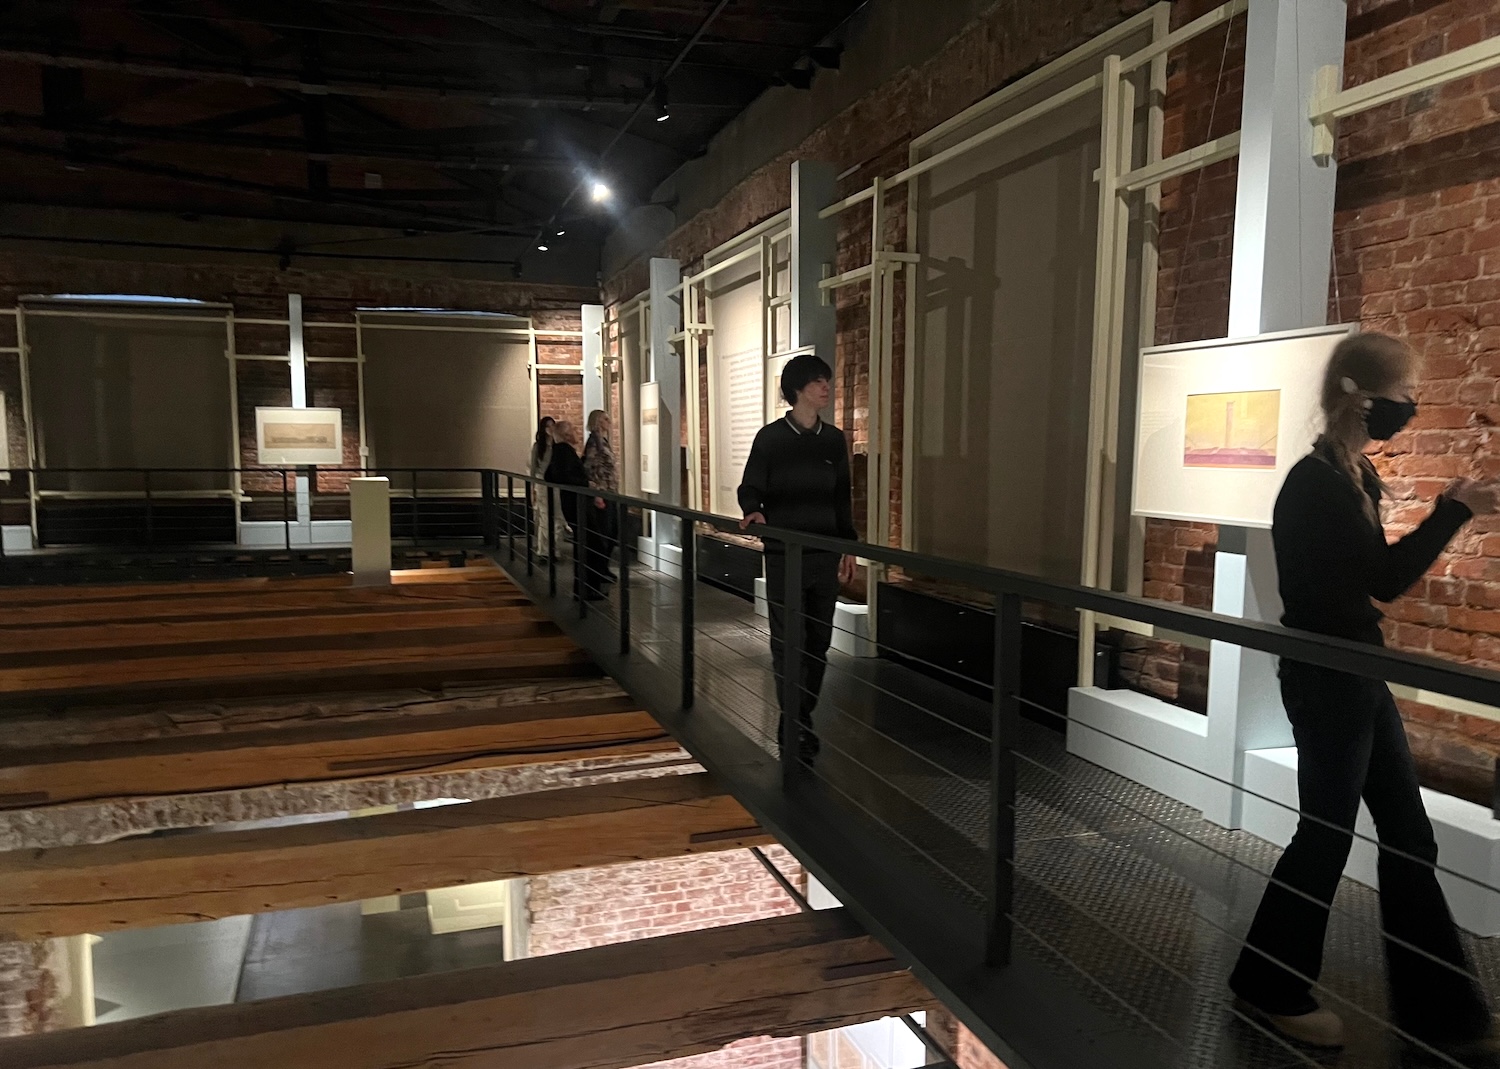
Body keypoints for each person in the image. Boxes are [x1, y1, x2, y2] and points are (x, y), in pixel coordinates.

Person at [1228, 332, 1499, 1053]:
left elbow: (1369, 578)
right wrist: (1454, 512)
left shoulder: (1351, 475)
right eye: (1405, 393)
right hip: (1327, 675)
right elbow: (1383, 580)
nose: (1411, 406)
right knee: (1327, 832)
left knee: (1407, 834)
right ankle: (1270, 985)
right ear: (1363, 395)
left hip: (1353, 669)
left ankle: (1442, 1011)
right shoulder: (1317, 483)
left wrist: (1449, 510)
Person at [738, 352, 857, 764]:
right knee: (789, 642)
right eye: (817, 382)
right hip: (785, 555)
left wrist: (848, 547)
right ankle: (795, 724)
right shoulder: (771, 438)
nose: (826, 387)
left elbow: (842, 499)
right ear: (797, 390)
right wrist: (753, 510)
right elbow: (751, 486)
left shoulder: (833, 440)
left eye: (826, 380)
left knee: (818, 644)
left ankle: (798, 717)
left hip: (824, 554)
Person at [544, 420, 590, 585]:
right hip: (574, 501)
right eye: (574, 430)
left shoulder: (559, 450)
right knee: (584, 539)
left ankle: (582, 580)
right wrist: (586, 483)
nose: (577, 433)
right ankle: (583, 581)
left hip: (570, 500)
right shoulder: (564, 451)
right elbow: (560, 476)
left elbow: (549, 475)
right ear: (567, 435)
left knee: (582, 538)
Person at [582, 409, 620, 599]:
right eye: (605, 419)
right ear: (597, 421)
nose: (609, 422)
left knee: (612, 532)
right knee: (604, 533)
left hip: (610, 492)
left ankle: (603, 567)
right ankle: (599, 570)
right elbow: (589, 468)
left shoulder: (602, 441)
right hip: (602, 494)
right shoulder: (594, 442)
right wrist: (597, 493)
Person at [529, 416, 569, 561]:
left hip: (556, 484)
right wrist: (533, 487)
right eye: (548, 426)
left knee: (558, 517)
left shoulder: (558, 445)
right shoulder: (538, 447)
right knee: (545, 517)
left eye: (553, 425)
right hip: (542, 483)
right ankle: (544, 550)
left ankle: (555, 548)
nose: (551, 429)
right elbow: (533, 467)